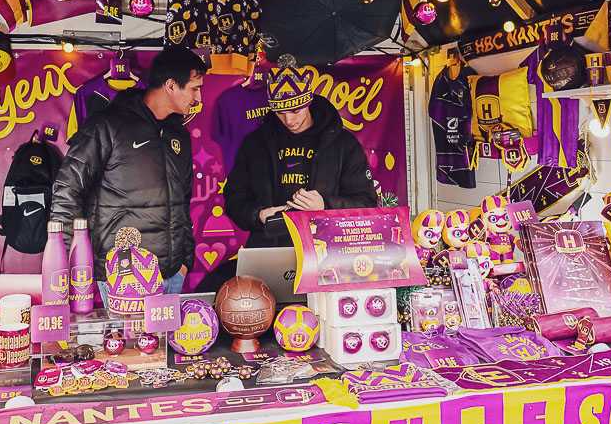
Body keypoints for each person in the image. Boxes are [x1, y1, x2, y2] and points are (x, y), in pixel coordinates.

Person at [51, 46, 206, 293]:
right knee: (123, 335)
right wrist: (69, 266)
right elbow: (67, 191)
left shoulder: (180, 135)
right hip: (120, 277)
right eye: (194, 89)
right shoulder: (107, 125)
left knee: (168, 335)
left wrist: (185, 262)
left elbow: (183, 202)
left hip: (172, 276)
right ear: (170, 86)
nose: (198, 98)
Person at [224, 65, 379, 249]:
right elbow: (234, 198)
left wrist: (325, 205)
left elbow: (366, 203)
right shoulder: (255, 144)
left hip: (326, 252)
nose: (288, 120)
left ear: (308, 102)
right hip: (268, 250)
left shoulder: (344, 144)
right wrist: (259, 215)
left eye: (295, 111)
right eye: (280, 112)